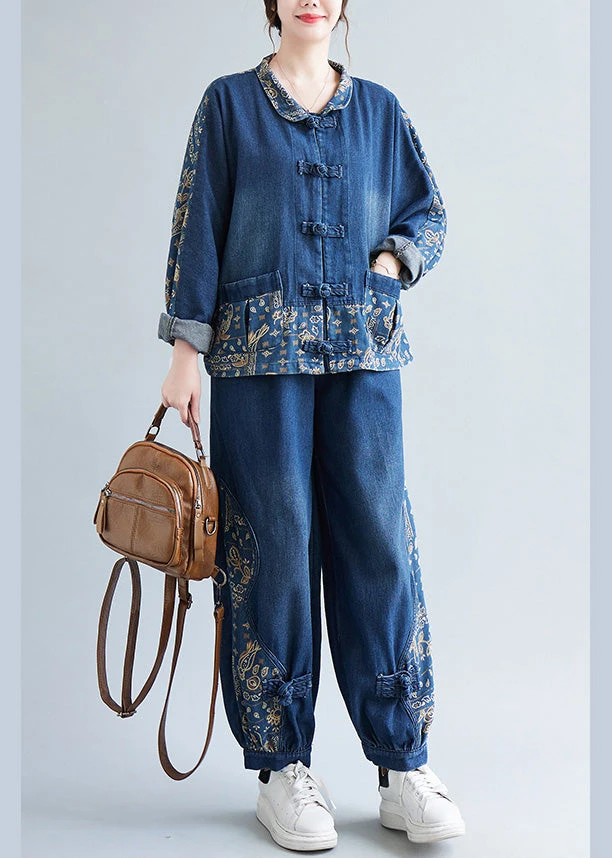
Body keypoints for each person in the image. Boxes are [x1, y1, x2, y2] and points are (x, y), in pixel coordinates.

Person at [158, 0, 466, 850]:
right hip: (259, 362)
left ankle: (401, 764)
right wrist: (185, 352)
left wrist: (393, 259)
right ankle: (282, 765)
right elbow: (198, 225)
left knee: (380, 541)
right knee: (273, 544)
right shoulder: (229, 105)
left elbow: (429, 212)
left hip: (366, 353)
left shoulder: (380, 112)